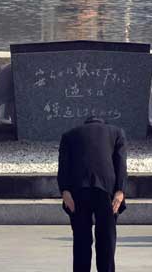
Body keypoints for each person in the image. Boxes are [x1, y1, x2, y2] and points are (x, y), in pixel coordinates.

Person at [58, 117, 127, 272]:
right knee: (106, 240)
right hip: (107, 190)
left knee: (82, 239)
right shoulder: (116, 133)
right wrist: (120, 191)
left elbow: (63, 165)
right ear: (102, 123)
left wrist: (65, 191)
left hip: (78, 191)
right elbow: (121, 163)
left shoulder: (69, 135)